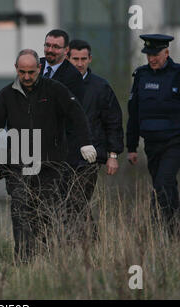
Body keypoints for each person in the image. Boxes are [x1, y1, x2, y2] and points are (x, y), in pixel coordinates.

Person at [0, 49, 97, 261]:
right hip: (18, 165)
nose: (27, 77)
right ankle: (24, 261)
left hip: (50, 165)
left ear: (40, 69)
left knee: (46, 213)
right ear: (16, 69)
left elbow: (77, 115)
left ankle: (45, 259)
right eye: (22, 72)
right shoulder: (6, 96)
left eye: (31, 72)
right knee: (20, 211)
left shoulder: (55, 90)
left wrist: (85, 143)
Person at [126, 34, 180, 236]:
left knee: (162, 183)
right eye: (148, 55)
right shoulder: (141, 76)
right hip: (151, 142)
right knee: (166, 186)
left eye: (155, 54)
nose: (151, 59)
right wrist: (131, 147)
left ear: (166, 52)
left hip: (176, 141)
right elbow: (134, 114)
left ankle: (156, 226)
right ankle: (176, 234)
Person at [66, 39, 124, 237]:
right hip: (64, 155)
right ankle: (84, 242)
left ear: (90, 59)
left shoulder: (101, 87)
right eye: (75, 59)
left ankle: (89, 241)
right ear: (67, 58)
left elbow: (114, 121)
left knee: (77, 199)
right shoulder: (57, 85)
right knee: (68, 202)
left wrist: (113, 155)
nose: (80, 63)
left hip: (91, 155)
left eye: (83, 59)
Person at [41, 29, 84, 103]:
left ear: (66, 50)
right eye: (47, 45)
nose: (50, 50)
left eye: (56, 47)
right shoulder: (34, 65)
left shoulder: (73, 76)